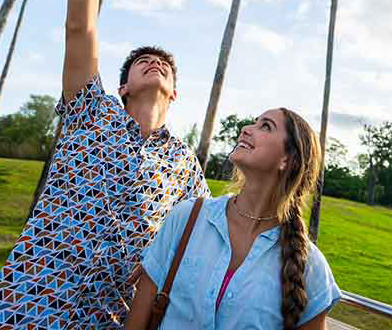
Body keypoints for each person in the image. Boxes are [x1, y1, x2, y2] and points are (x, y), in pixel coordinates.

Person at [0, 0, 210, 329]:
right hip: (28, 310)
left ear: (174, 94)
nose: (155, 63)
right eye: (144, 62)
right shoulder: (90, 112)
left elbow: (196, 239)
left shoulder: (184, 164)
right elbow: (79, 27)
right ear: (123, 87)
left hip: (110, 320)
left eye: (164, 66)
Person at [125, 108, 341, 329]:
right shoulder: (187, 216)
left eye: (265, 126)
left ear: (288, 160)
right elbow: (138, 318)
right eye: (253, 123)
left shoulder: (312, 268)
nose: (245, 129)